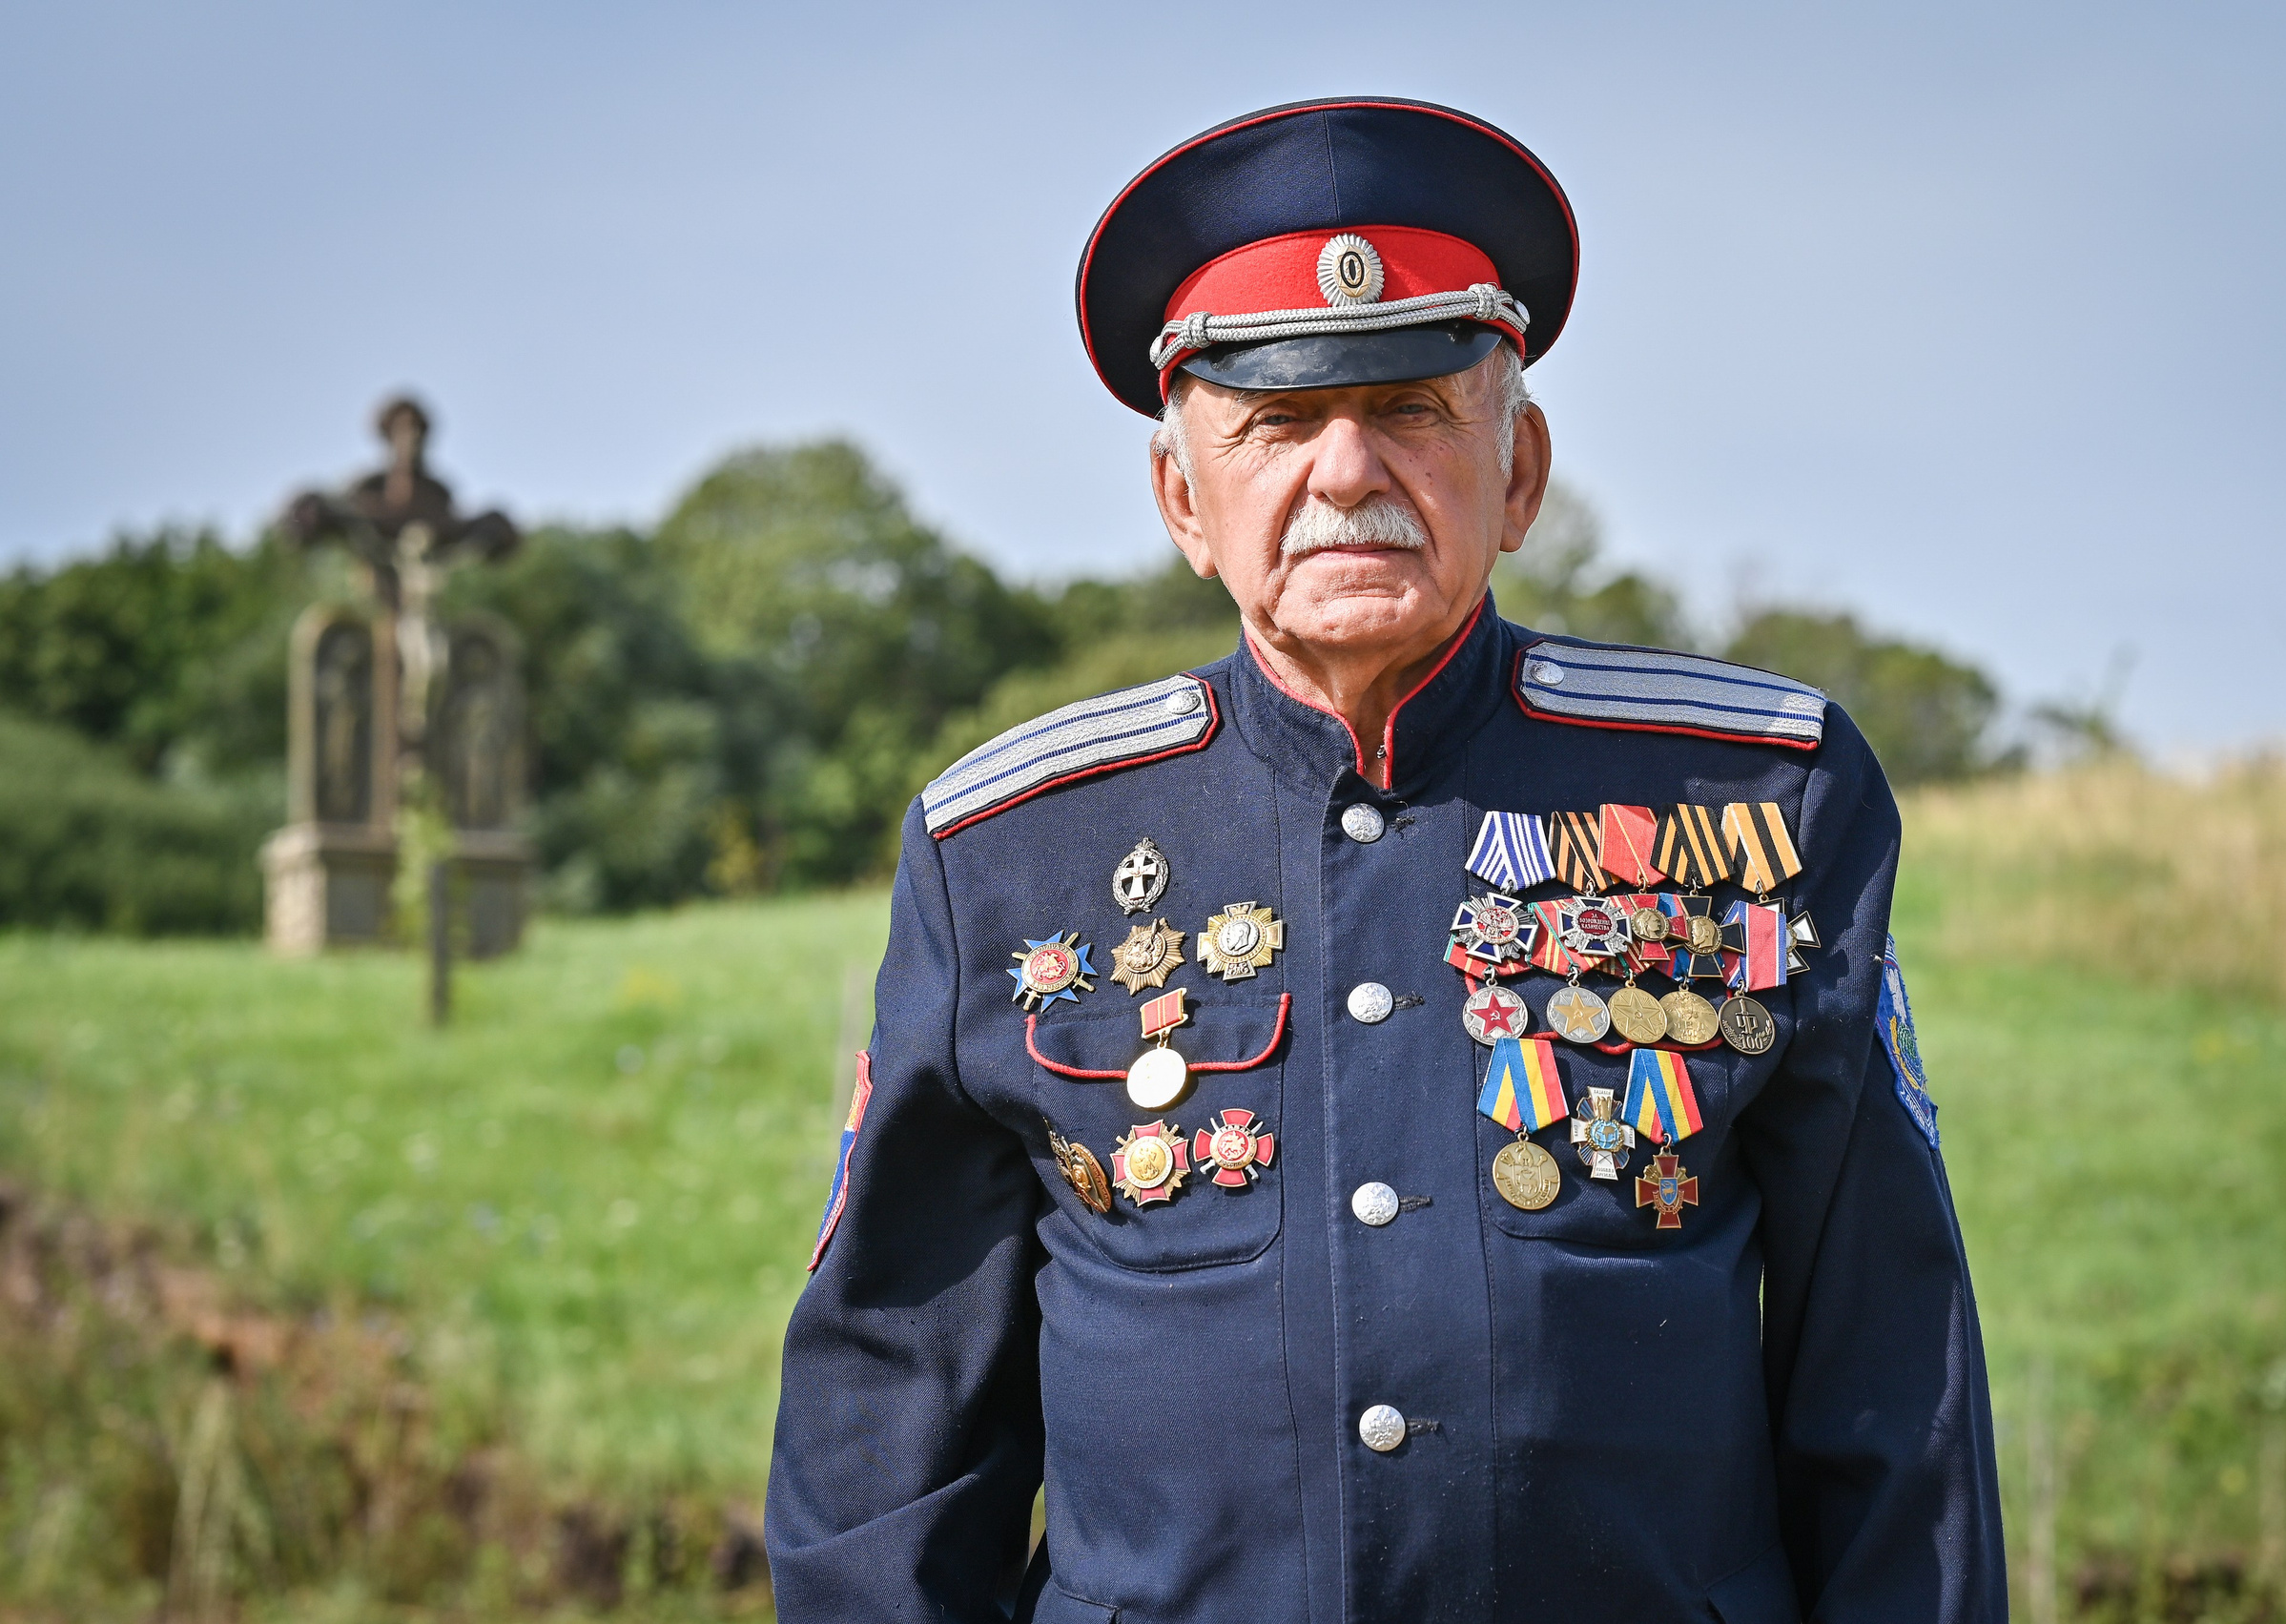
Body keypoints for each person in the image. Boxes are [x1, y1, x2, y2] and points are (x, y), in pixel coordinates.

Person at [767, 96, 2006, 1623]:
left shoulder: (1765, 794)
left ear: (1520, 471)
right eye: (1277, 425)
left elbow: (1892, 1381)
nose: (1347, 472)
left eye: (1415, 410)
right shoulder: (1010, 850)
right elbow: (886, 1433)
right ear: (1183, 500)